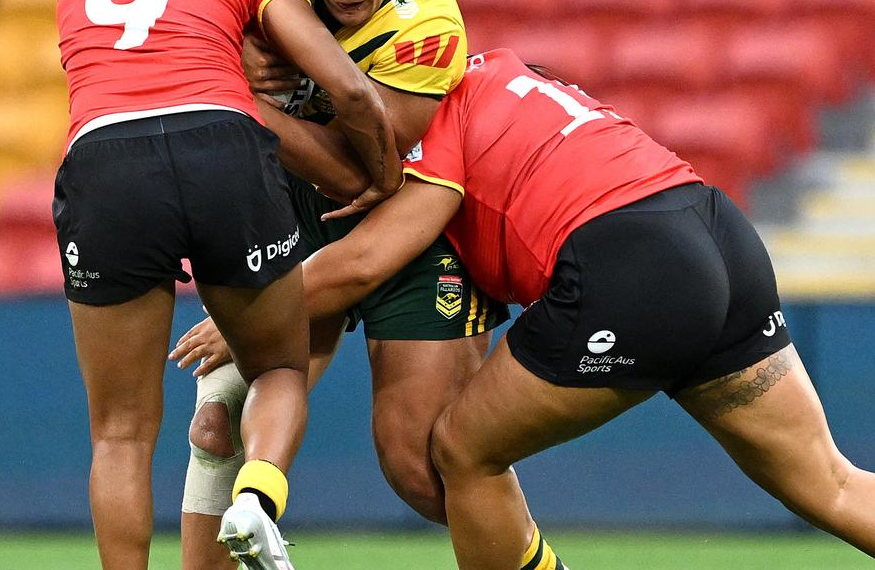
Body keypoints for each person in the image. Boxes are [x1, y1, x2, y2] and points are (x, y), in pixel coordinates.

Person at [229, 46, 875, 569]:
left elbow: (366, 260)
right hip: (713, 228)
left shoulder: (437, 126)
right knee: (829, 483)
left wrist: (247, 320)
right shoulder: (505, 68)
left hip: (627, 266)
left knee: (460, 452)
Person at [53, 0, 401, 570]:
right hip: (220, 147)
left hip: (104, 162)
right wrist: (379, 178)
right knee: (278, 366)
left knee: (119, 432)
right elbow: (348, 88)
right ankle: (256, 495)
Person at [169, 0, 509, 570]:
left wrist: (260, 97)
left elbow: (363, 172)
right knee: (219, 413)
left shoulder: (428, 29)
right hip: (297, 209)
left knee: (421, 465)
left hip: (409, 225)